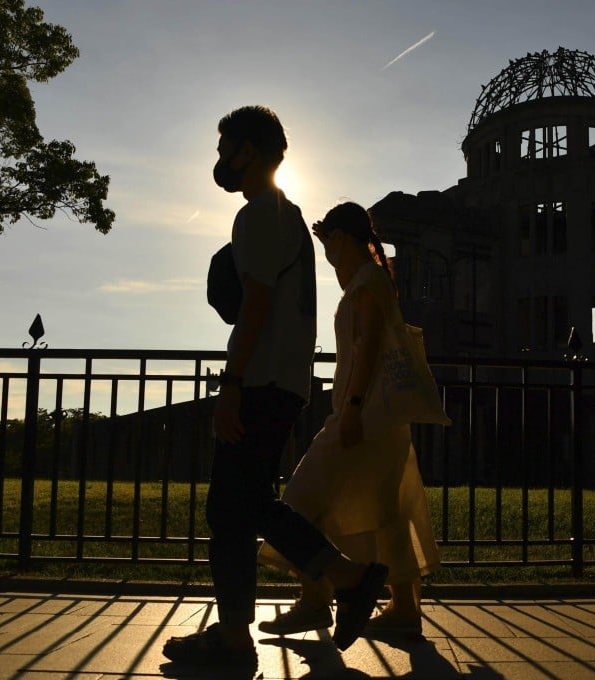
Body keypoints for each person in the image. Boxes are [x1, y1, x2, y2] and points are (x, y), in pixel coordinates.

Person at [162, 107, 387, 667]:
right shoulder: (288, 215)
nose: (220, 161)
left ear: (253, 152)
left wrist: (231, 384)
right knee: (242, 506)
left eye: (227, 148)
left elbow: (255, 309)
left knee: (231, 505)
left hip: (260, 381)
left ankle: (343, 581)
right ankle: (248, 630)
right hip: (285, 382)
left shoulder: (260, 213)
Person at [256, 202, 441, 638]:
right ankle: (400, 609)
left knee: (302, 500)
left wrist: (353, 407)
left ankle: (318, 598)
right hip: (374, 417)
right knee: (388, 510)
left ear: (340, 238)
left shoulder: (367, 282)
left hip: (362, 416)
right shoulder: (369, 279)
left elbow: (370, 346)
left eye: (329, 241)